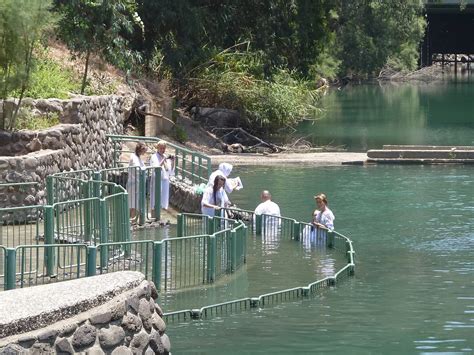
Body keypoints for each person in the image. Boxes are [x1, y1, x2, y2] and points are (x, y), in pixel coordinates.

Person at [149, 141, 175, 216]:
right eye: (161, 148)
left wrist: (173, 161)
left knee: (163, 200)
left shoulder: (165, 157)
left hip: (165, 181)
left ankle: (159, 216)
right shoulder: (154, 156)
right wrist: (163, 159)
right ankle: (153, 216)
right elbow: (156, 167)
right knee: (155, 199)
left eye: (164, 148)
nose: (162, 150)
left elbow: (170, 171)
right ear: (157, 148)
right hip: (157, 180)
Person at [127, 142, 147, 220]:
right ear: (141, 150)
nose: (145, 152)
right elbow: (137, 168)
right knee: (133, 203)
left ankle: (133, 220)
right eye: (144, 150)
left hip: (137, 184)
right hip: (133, 184)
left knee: (135, 203)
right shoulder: (134, 157)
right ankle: (132, 220)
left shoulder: (138, 157)